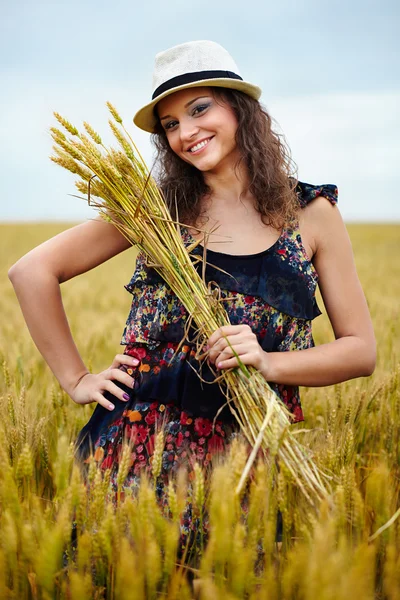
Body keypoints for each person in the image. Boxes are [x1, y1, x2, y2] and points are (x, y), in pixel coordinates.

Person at [8, 40, 376, 555]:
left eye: (199, 108)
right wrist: (77, 378)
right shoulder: (159, 210)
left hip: (248, 462)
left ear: (238, 108)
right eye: (171, 124)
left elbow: (361, 351)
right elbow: (31, 271)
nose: (186, 132)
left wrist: (267, 363)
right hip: (134, 454)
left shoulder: (311, 215)